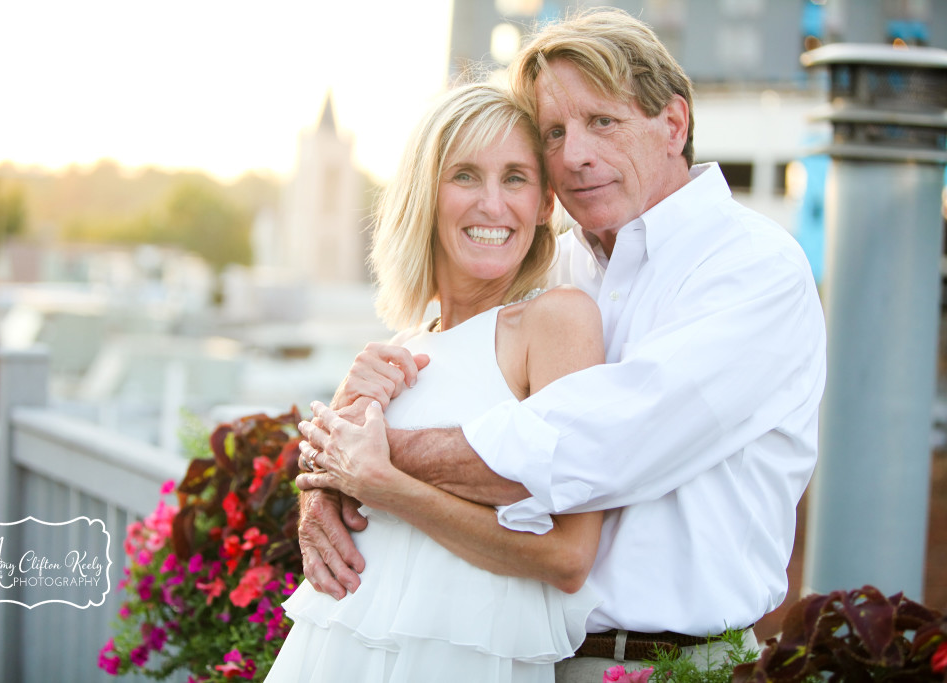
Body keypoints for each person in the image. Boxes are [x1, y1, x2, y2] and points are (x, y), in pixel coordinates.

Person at [297, 8, 827, 682]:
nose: (574, 155)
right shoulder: (555, 267)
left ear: (674, 123)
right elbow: (443, 375)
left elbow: (588, 447)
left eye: (601, 122)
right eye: (554, 132)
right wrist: (320, 475)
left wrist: (370, 456)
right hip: (529, 659)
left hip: (674, 664)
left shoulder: (753, 270)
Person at [265, 82, 609, 683]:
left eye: (516, 178)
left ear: (546, 203)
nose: (493, 205)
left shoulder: (555, 320)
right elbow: (332, 491)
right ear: (427, 194)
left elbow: (568, 557)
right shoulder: (397, 350)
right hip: (335, 654)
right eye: (467, 176)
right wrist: (325, 466)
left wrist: (384, 484)